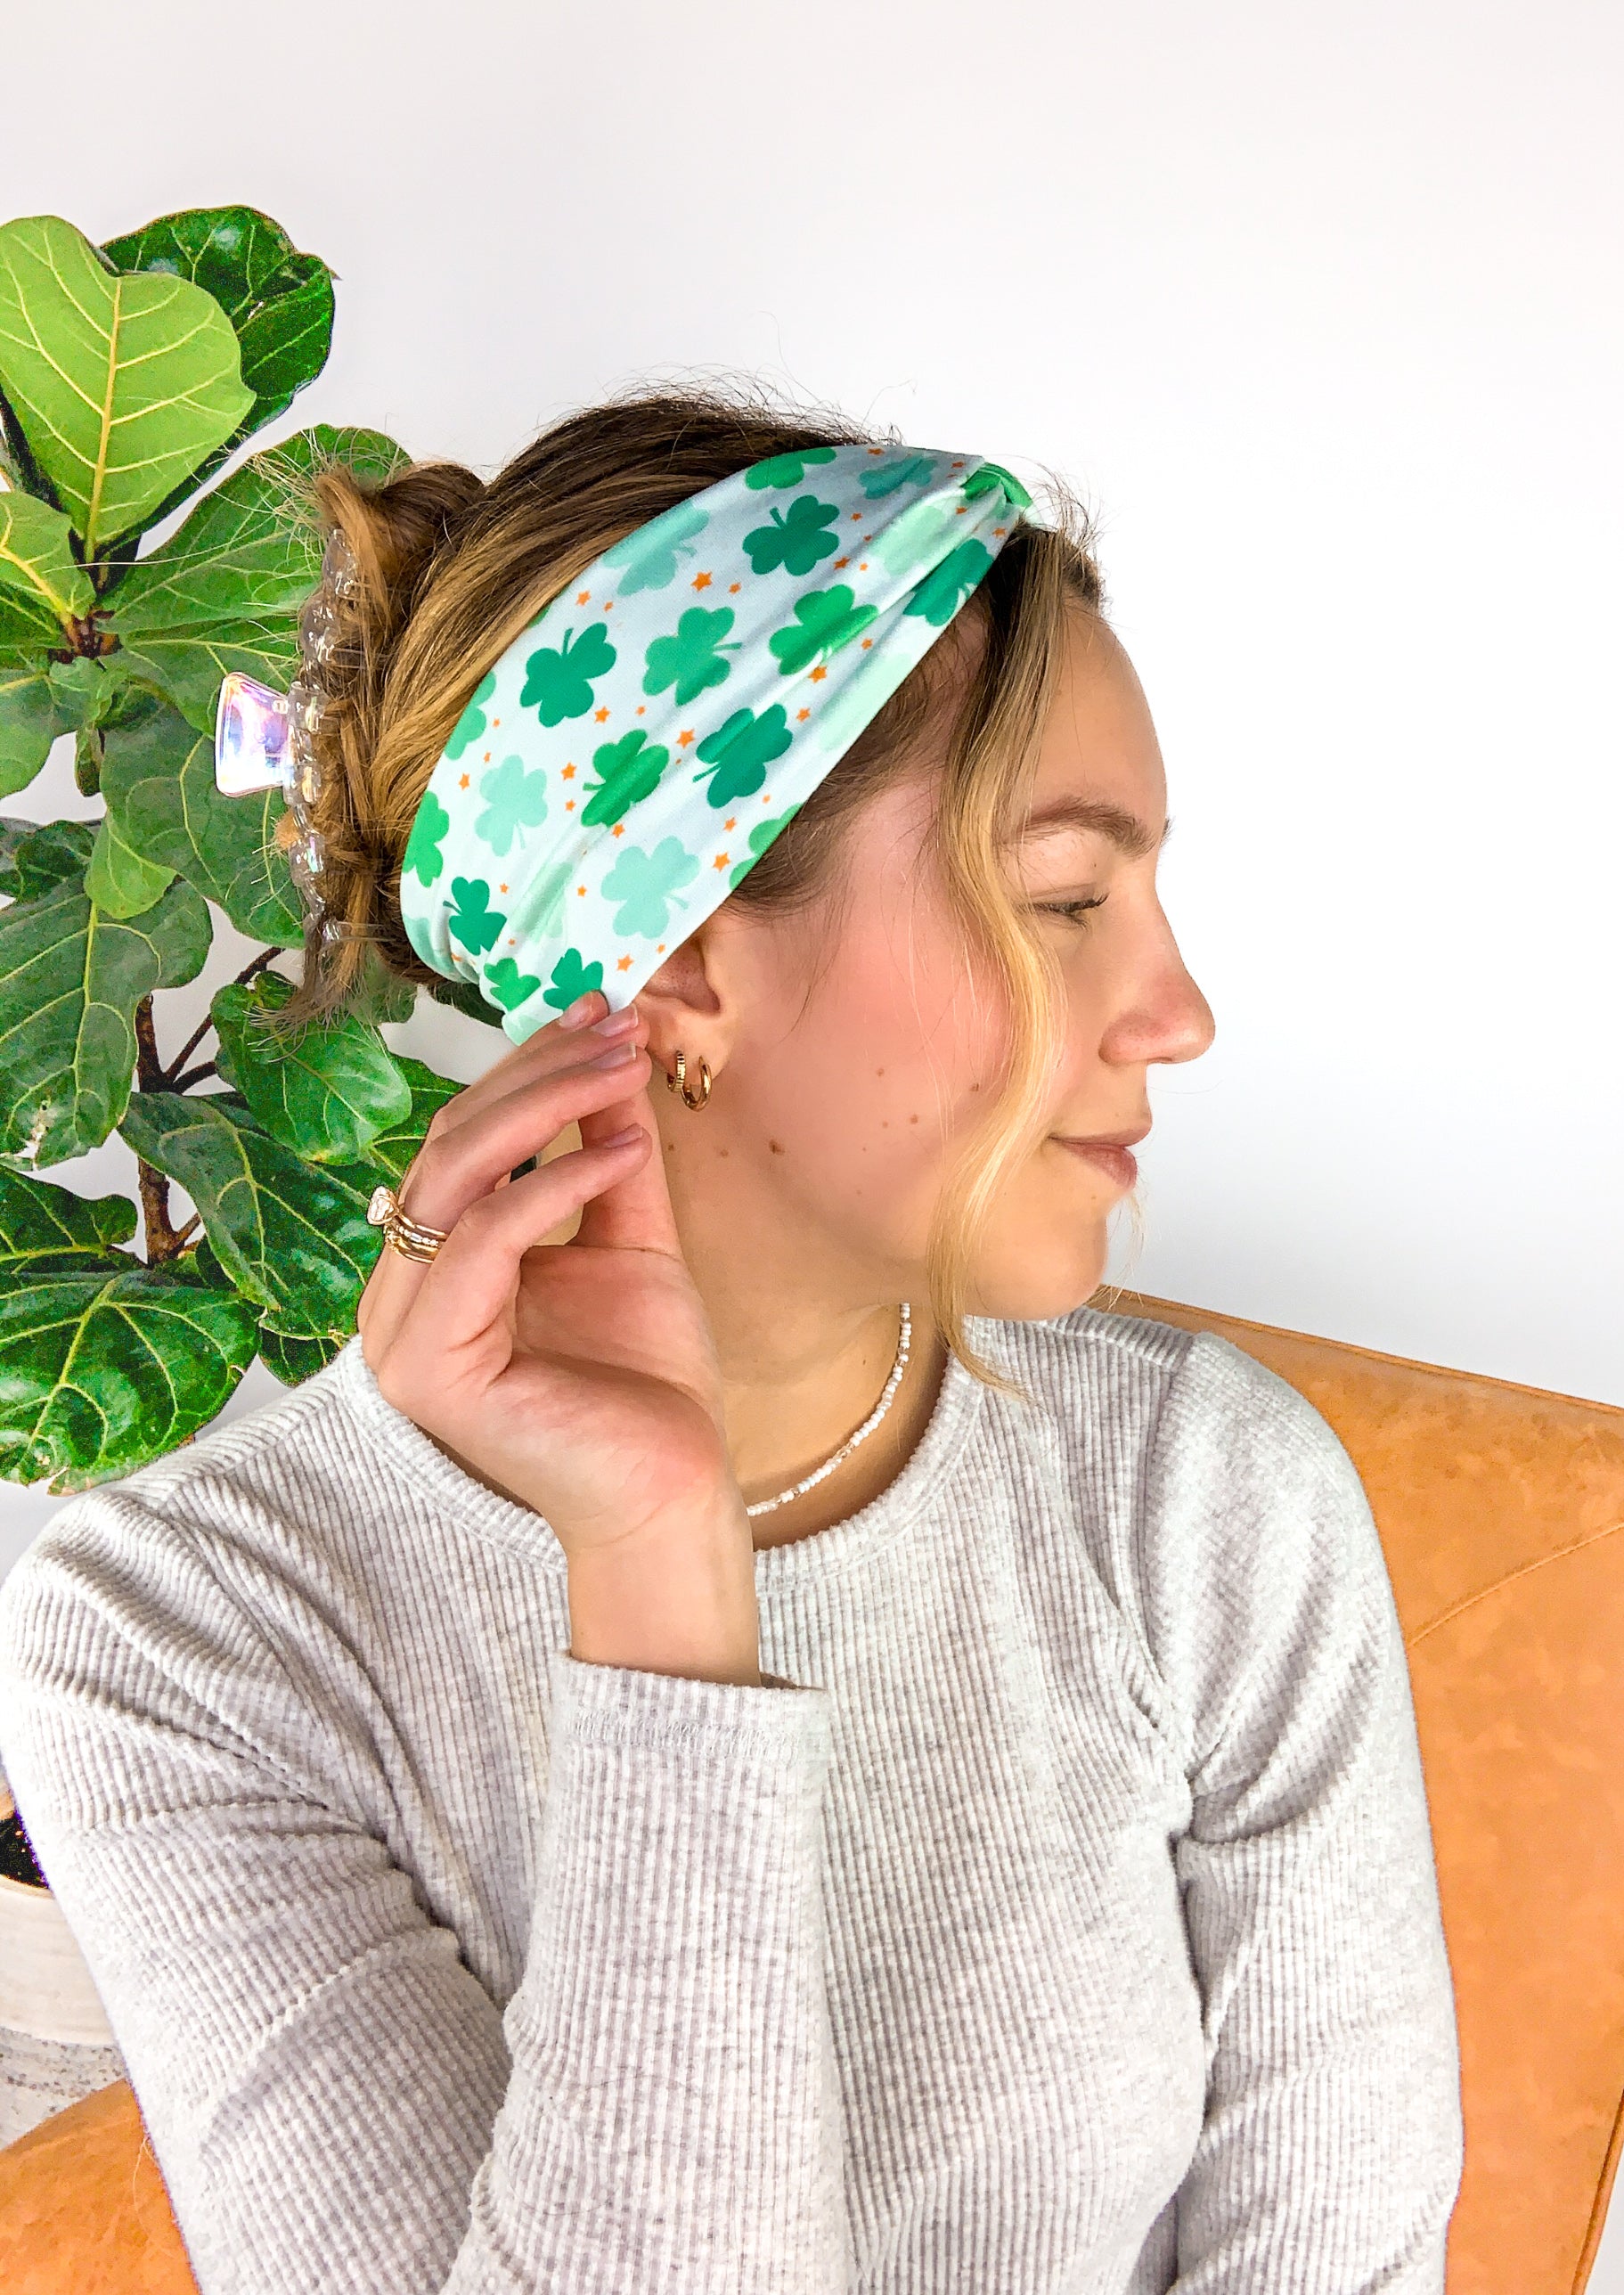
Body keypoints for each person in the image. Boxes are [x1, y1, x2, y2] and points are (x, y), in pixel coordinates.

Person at [0, 385, 1464, 2291]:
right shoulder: (187, 1637)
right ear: (682, 954)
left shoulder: (1207, 1507)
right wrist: (659, 1585)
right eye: (1068, 900)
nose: (1174, 1010)